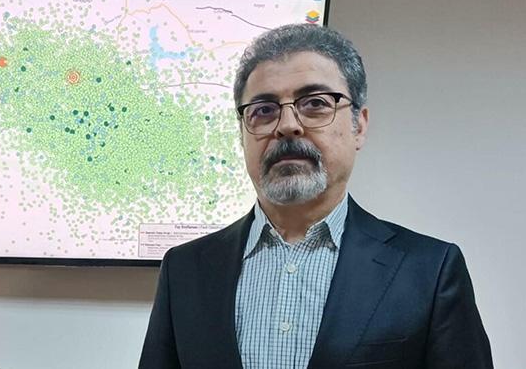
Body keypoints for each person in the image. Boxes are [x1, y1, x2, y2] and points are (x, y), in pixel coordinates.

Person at [139, 24, 492, 369]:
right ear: (242, 134)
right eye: (263, 110)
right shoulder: (184, 270)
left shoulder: (428, 271)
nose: (287, 125)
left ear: (359, 126)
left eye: (315, 103)